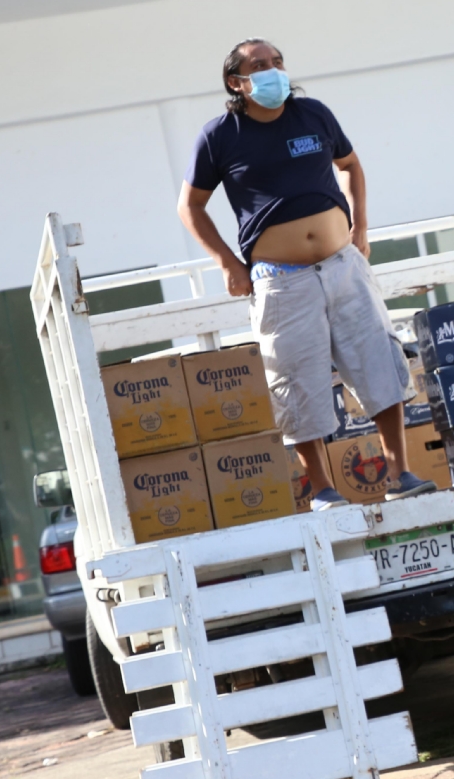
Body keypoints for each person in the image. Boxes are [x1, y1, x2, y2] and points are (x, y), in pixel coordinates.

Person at [177, 37, 434, 508]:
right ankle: (323, 490)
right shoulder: (219, 135)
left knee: (379, 361)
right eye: (259, 65)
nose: (273, 70)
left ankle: (401, 474)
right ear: (237, 81)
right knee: (295, 381)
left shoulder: (313, 114)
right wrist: (228, 263)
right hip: (281, 280)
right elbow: (189, 206)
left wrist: (360, 229)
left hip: (344, 267)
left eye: (277, 62)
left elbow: (351, 165)